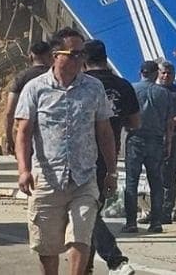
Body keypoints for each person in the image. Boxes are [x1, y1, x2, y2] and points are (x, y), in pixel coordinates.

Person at [15, 28, 117, 275]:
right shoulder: (35, 88)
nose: (79, 59)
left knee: (80, 237)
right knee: (47, 247)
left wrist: (112, 171)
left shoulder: (94, 89)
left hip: (83, 177)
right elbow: (23, 132)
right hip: (47, 180)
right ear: (55, 55)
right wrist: (24, 170)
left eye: (82, 54)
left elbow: (105, 132)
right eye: (73, 54)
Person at [82, 39, 140, 275]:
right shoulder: (124, 86)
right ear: (106, 57)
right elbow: (135, 122)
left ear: (84, 60)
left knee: (87, 212)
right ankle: (85, 266)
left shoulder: (83, 85)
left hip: (82, 156)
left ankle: (114, 259)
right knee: (90, 211)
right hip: (109, 155)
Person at [122, 60, 173, 234]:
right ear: (155, 74)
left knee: (131, 182)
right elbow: (169, 121)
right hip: (156, 140)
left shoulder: (132, 89)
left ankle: (131, 223)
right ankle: (156, 222)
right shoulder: (164, 94)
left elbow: (124, 114)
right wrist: (168, 143)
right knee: (156, 182)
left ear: (141, 72)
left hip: (135, 138)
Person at [3, 40, 53, 155]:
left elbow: (9, 112)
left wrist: (9, 138)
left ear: (31, 56)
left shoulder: (21, 78)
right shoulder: (57, 77)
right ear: (50, 56)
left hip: (27, 136)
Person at [155, 59, 176, 224]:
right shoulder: (152, 91)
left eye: (169, 74)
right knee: (154, 177)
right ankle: (155, 211)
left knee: (168, 177)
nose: (166, 76)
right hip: (152, 139)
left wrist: (168, 121)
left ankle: (165, 212)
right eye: (163, 73)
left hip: (171, 140)